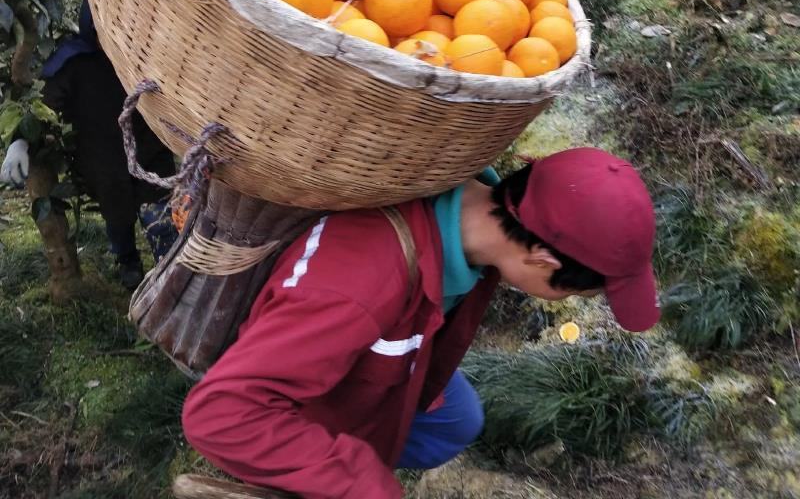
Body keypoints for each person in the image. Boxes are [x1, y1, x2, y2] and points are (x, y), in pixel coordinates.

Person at [181, 147, 659, 497]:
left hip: (383, 362)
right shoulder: (357, 285)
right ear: (542, 257)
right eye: (573, 290)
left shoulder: (474, 205)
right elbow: (220, 414)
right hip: (296, 391)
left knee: (457, 420)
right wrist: (363, 485)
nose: (566, 301)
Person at [40, 0, 178, 288]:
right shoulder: (74, 61)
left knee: (160, 209)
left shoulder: (142, 53)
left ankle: (170, 264)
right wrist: (25, 140)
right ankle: (127, 260)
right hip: (101, 153)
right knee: (117, 213)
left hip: (149, 146)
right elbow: (46, 103)